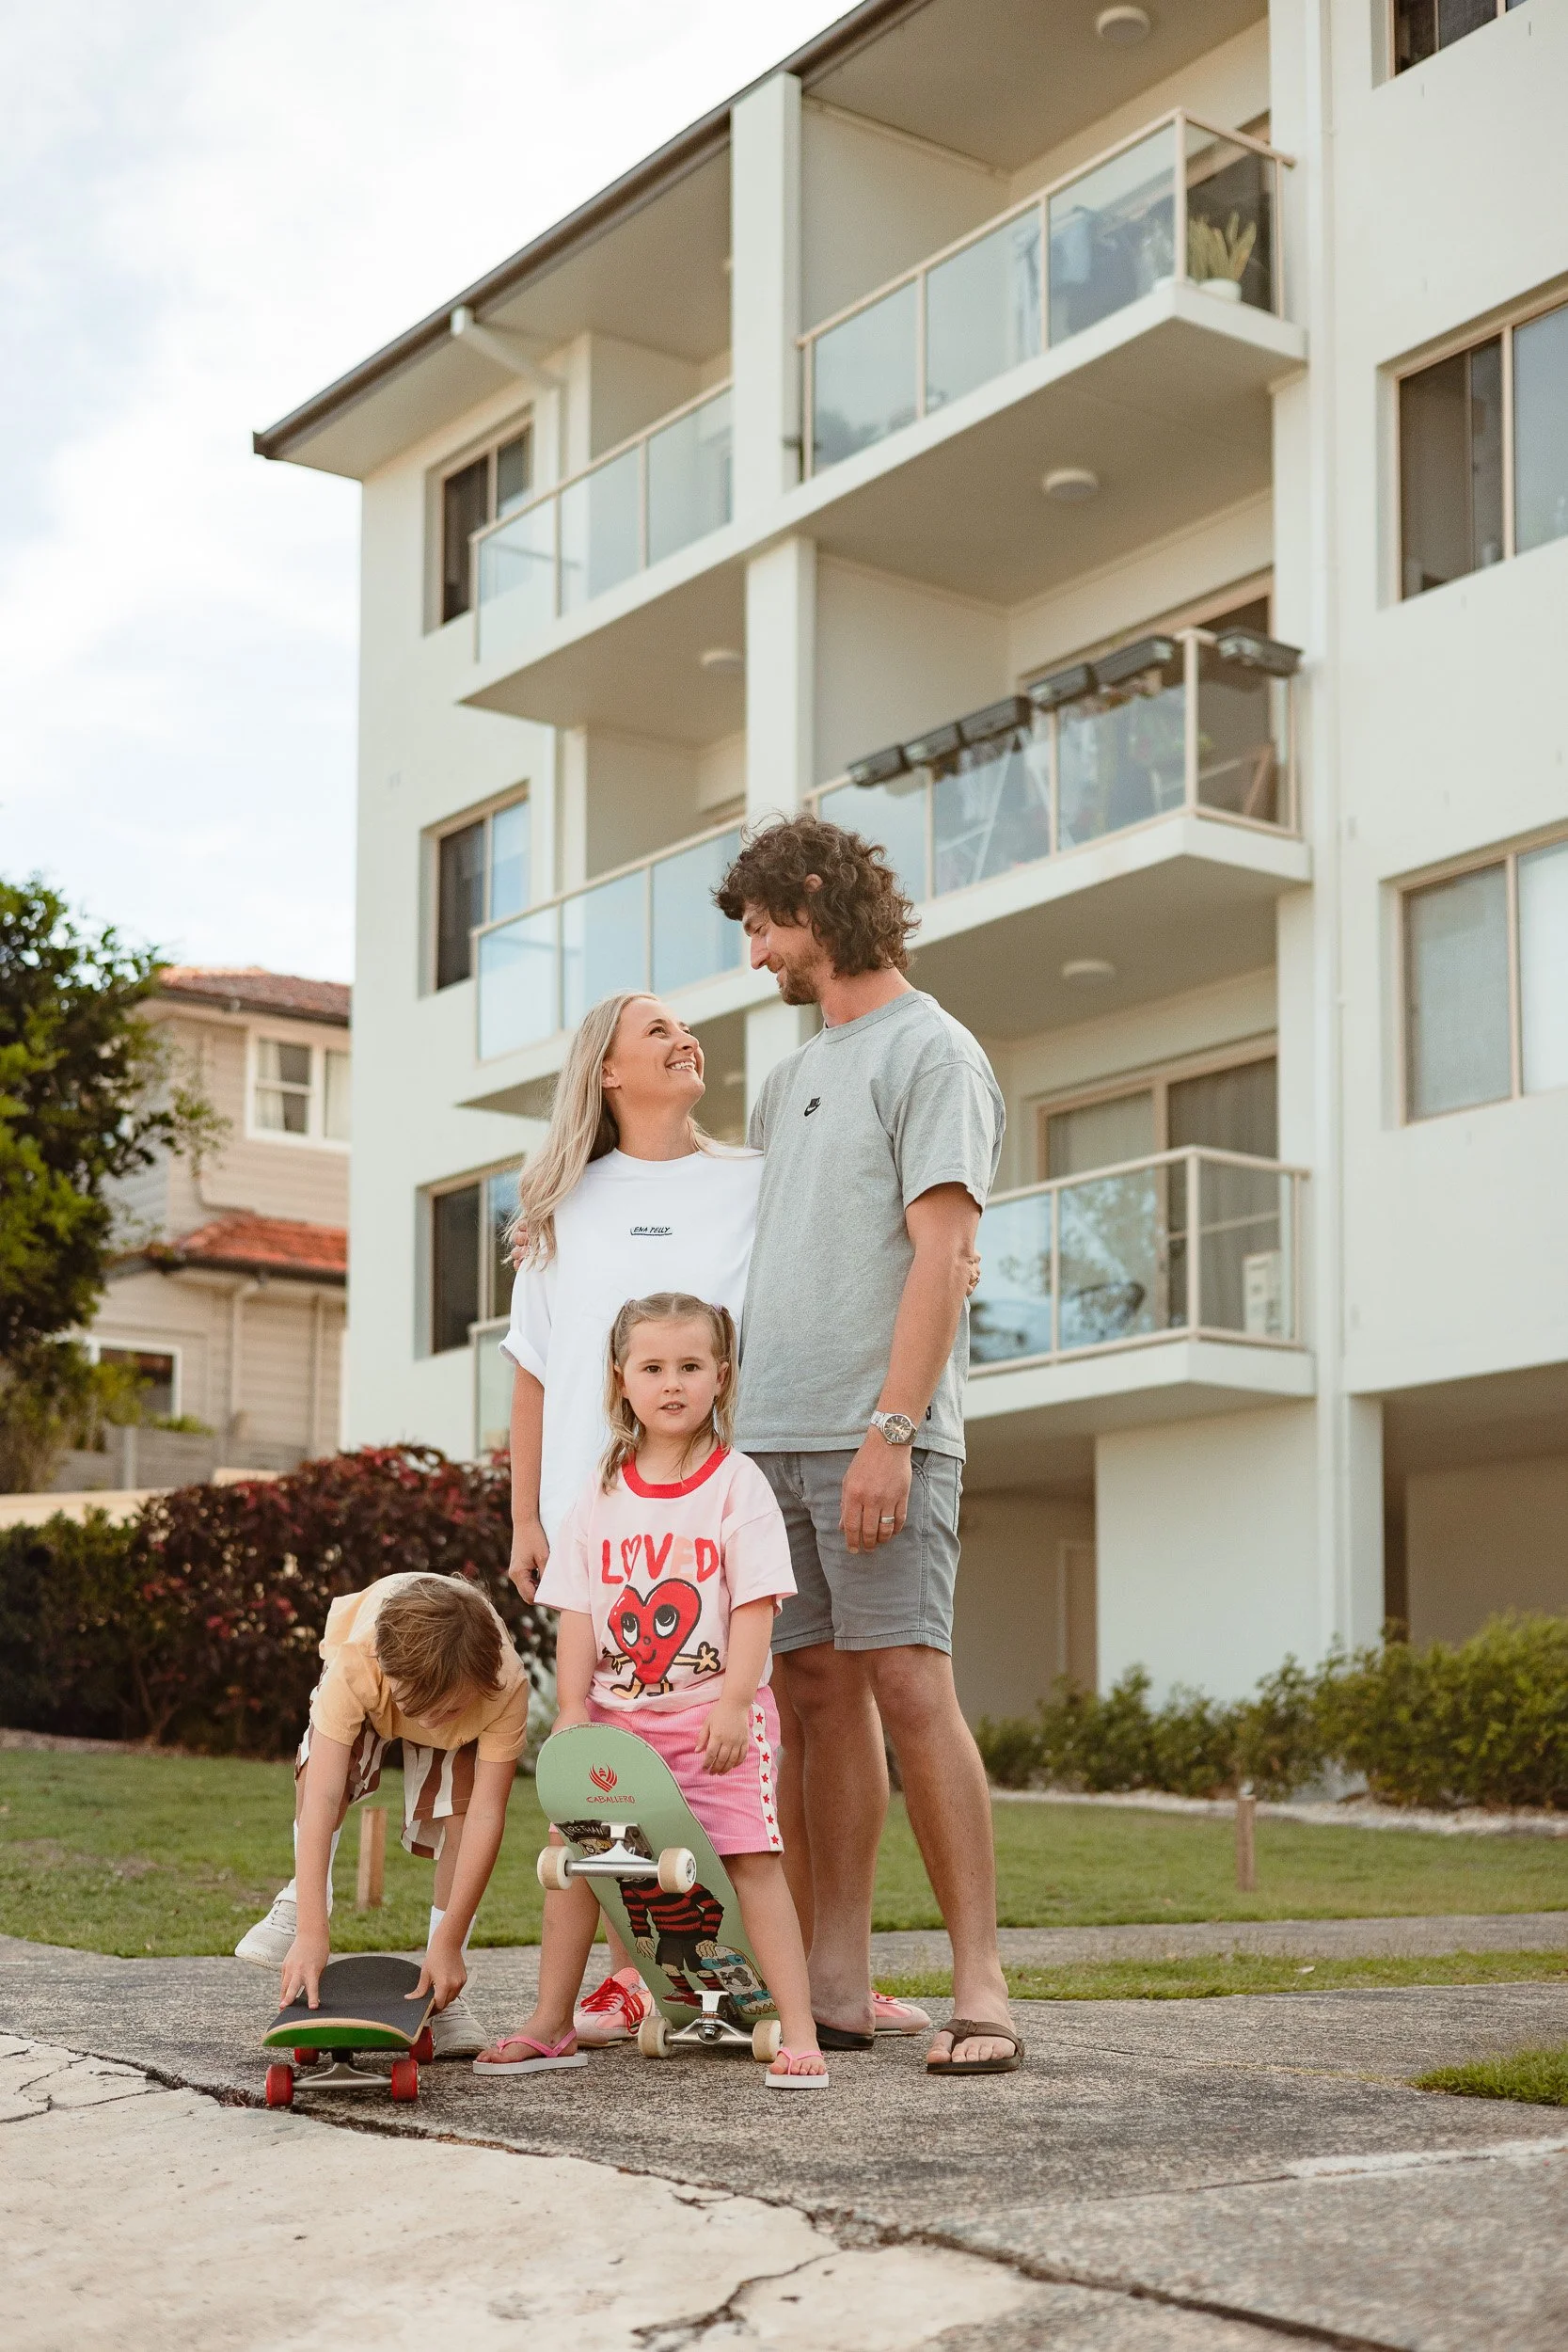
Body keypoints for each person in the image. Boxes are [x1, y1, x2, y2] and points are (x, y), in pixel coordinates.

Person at [499, 989, 935, 2046]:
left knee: (748, 1737)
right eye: (655, 1028)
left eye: (682, 1025)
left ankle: (825, 1969)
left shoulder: (753, 1177)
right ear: (606, 1069)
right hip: (601, 1516)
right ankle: (625, 1974)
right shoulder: (562, 1201)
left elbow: (857, 1252)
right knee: (613, 1743)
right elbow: (529, 1369)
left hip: (729, 1504)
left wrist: (950, 1259)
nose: (683, 1036)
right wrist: (525, 1516)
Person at [714, 812, 1022, 2076]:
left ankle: (981, 1988)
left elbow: (943, 1254)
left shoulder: (931, 1052)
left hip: (876, 1435)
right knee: (811, 1699)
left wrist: (890, 1433)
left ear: (810, 899)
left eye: (758, 928)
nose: (752, 959)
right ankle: (831, 1984)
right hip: (768, 1443)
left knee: (906, 1686)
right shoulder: (785, 1079)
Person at [473, 1295, 827, 2085]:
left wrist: (735, 1703)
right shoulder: (597, 1497)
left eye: (691, 1367)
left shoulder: (738, 1486)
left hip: (713, 1719)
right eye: (654, 1367)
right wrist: (571, 1712)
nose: (673, 1384)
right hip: (615, 1726)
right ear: (621, 1380)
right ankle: (549, 2023)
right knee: (580, 1862)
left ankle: (797, 2031)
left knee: (751, 1862)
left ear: (721, 1377)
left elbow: (754, 1604)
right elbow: (577, 1615)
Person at [240, 1573, 530, 2056]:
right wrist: (314, 1929)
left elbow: (485, 1817)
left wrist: (450, 1941)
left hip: (465, 1701)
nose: (426, 1722)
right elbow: (324, 1796)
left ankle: (444, 1988)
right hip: (371, 1695)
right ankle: (300, 1902)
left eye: (444, 1709)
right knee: (317, 1774)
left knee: (458, 1809)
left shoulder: (504, 1687)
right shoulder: (359, 1662)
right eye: (414, 1707)